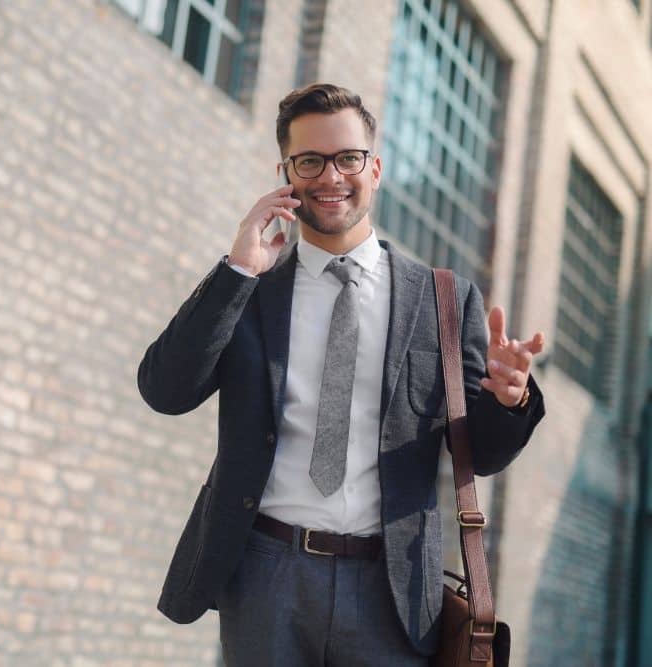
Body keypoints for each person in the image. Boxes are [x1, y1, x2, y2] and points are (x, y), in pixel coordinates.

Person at [136, 83, 546, 666]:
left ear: (374, 168)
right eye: (310, 161)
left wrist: (509, 400)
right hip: (264, 576)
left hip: (393, 589)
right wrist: (236, 270)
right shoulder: (250, 291)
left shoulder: (443, 300)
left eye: (347, 158)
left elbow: (479, 454)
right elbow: (165, 391)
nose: (330, 177)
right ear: (286, 174)